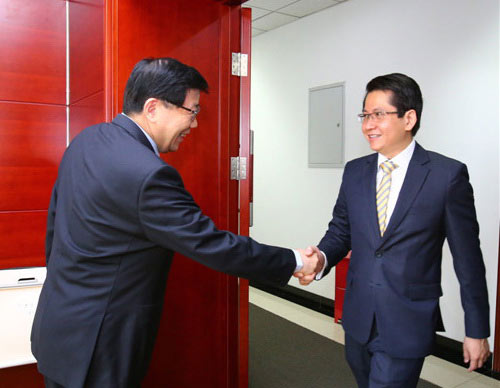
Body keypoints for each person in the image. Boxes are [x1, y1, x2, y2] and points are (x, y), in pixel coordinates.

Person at [31, 57, 323, 388]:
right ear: (153, 107)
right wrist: (296, 260)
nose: (194, 124)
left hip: (58, 328)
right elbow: (211, 244)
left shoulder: (87, 140)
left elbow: (55, 229)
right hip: (100, 346)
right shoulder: (148, 174)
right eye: (192, 111)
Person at [298, 73, 490, 387]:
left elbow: (468, 260)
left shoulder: (446, 176)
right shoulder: (355, 172)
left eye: (378, 115)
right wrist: (320, 258)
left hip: (407, 321)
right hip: (359, 318)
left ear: (409, 118)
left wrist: (476, 329)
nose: (368, 125)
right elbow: (341, 231)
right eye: (364, 115)